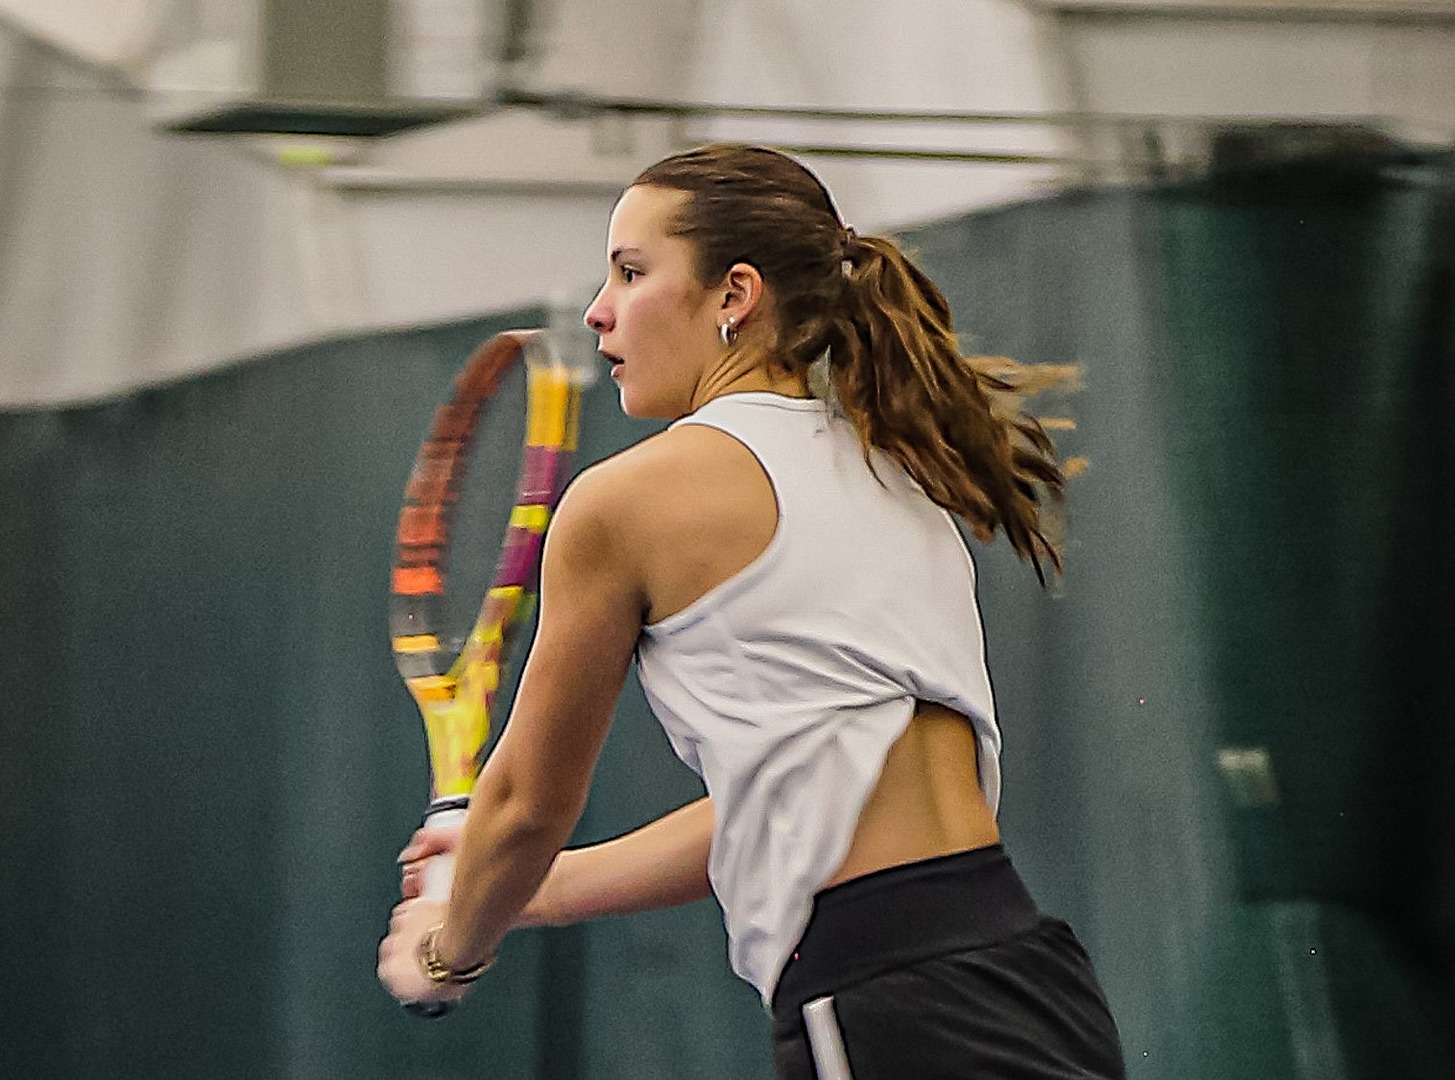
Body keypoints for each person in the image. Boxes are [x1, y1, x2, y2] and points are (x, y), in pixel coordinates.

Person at [377, 143, 1126, 1079]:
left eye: (632, 272)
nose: (598, 310)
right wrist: (533, 891)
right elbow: (774, 806)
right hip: (1029, 974)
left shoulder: (625, 503)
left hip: (887, 1001)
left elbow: (526, 805)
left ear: (734, 295)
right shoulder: (895, 474)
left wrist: (448, 952)